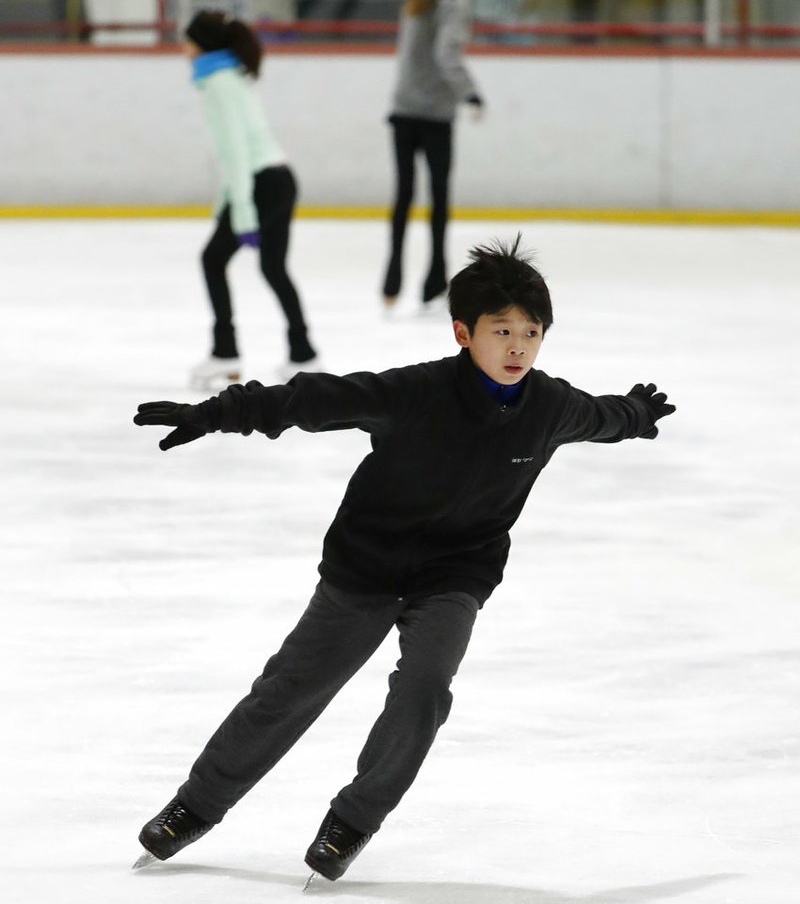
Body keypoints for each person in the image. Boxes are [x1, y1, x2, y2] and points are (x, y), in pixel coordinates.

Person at [132, 235, 675, 884]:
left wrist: (638, 413)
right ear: (462, 332)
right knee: (292, 689)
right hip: (368, 563)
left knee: (424, 689)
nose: (517, 347)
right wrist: (216, 412)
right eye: (502, 330)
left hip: (456, 573)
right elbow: (312, 398)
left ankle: (353, 820)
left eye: (531, 332)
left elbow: (602, 416)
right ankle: (195, 805)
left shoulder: (549, 406)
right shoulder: (416, 392)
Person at [182, 9, 319, 390]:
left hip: (262, 183)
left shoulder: (219, 83)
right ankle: (303, 353)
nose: (183, 48)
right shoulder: (232, 77)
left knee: (213, 260)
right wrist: (228, 200)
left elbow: (236, 152)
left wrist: (241, 210)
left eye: (188, 40)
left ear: (202, 45)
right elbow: (236, 151)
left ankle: (225, 352)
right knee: (273, 268)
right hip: (279, 178)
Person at [382, 0, 483, 310]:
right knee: (438, 199)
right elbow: (447, 55)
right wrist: (470, 93)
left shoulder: (414, 4)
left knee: (403, 196)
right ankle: (433, 282)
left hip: (402, 110)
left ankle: (391, 279)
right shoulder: (450, 8)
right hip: (435, 116)